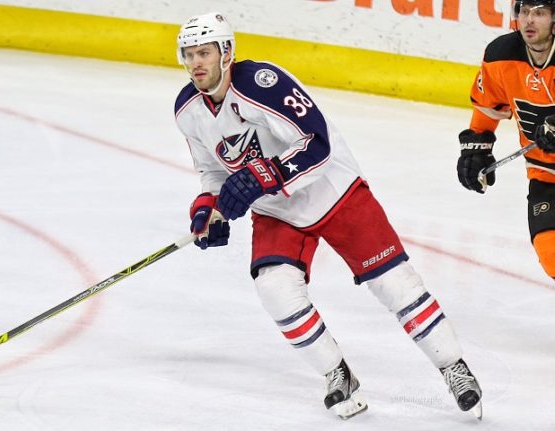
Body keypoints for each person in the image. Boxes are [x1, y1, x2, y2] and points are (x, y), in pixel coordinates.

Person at [175, 11, 482, 419]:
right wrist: (207, 211)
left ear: (226, 53)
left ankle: (453, 366)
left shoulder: (262, 83)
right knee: (274, 289)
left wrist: (266, 173)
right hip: (278, 212)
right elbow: (212, 170)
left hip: (333, 192)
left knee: (395, 285)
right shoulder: (187, 109)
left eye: (205, 52)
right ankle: (338, 374)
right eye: (189, 54)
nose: (196, 63)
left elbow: (318, 143)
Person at [457, 0, 555, 281]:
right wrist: (477, 149)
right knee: (550, 253)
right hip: (546, 173)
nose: (529, 21)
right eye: (525, 12)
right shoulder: (502, 55)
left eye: (539, 14)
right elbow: (489, 105)